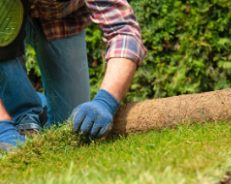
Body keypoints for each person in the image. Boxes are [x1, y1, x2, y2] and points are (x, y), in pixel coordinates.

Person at [0, 0, 146, 151]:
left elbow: (124, 30)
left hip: (58, 18)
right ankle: (23, 110)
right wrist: (2, 126)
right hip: (4, 17)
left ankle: (39, 104)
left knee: (71, 124)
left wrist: (106, 102)